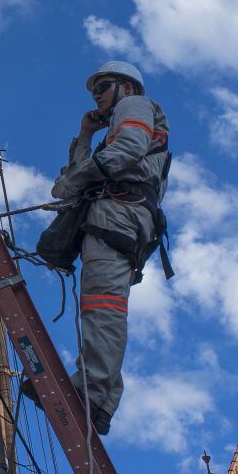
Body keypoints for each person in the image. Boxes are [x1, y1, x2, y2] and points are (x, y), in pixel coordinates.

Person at [44, 61, 172, 434]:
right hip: (116, 218)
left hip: (118, 215)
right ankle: (100, 393)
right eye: (94, 91)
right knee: (104, 306)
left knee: (103, 305)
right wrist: (85, 135)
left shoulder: (133, 107)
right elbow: (89, 168)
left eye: (103, 88)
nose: (96, 96)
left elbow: (127, 149)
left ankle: (94, 391)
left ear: (127, 87)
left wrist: (72, 182)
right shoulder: (112, 128)